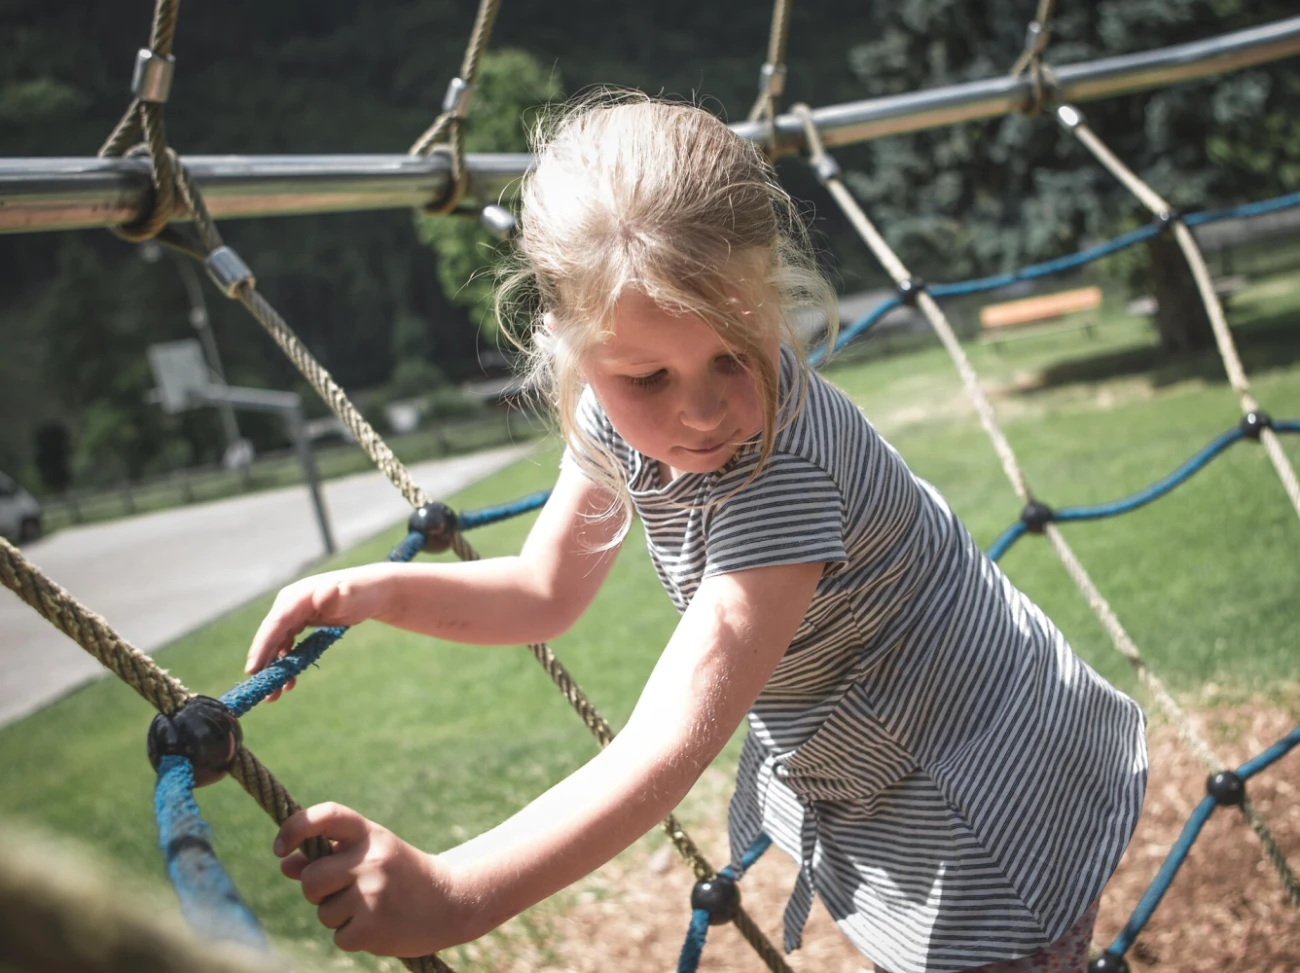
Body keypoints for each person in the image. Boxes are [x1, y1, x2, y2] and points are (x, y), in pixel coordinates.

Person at [245, 94, 1148, 973]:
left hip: (990, 788)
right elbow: (541, 592)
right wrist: (375, 591)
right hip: (898, 771)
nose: (704, 411)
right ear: (566, 343)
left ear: (773, 291)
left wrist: (458, 892)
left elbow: (669, 740)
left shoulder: (782, 473)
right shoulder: (607, 417)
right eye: (648, 379)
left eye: (733, 354)